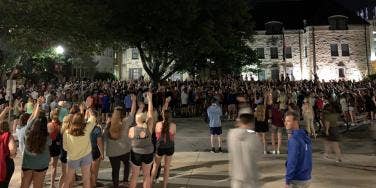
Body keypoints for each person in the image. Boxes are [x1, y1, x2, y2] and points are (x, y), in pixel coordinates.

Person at [105, 94, 136, 188]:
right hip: (125, 150)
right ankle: (125, 180)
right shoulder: (126, 122)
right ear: (123, 114)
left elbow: (104, 136)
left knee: (115, 170)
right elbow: (132, 113)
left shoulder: (109, 124)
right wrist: (133, 101)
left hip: (112, 152)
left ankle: (115, 185)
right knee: (127, 164)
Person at [63, 104, 96, 188]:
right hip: (86, 156)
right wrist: (88, 108)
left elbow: (65, 147)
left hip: (73, 157)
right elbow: (93, 118)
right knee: (86, 179)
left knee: (67, 180)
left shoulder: (66, 132)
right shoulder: (86, 129)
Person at [21, 97, 51, 188]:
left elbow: (32, 119)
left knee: (24, 185)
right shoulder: (47, 136)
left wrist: (38, 104)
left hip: (27, 163)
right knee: (38, 186)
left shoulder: (27, 132)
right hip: (41, 164)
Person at [228, 113, 262, 188]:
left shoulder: (231, 134)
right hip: (250, 177)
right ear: (251, 123)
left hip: (236, 176)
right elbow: (259, 155)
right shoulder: (254, 136)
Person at [129, 92, 154, 188]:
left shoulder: (132, 130)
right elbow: (150, 113)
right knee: (147, 175)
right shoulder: (149, 128)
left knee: (134, 176)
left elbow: (132, 115)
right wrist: (150, 100)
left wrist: (134, 102)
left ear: (136, 119)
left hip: (136, 154)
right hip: (148, 153)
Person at [284, 111, 312, 188]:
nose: (285, 123)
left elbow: (292, 161)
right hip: (307, 178)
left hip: (296, 180)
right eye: (285, 121)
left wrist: (288, 180)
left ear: (296, 122)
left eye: (288, 121)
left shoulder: (294, 140)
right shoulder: (305, 136)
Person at [151, 102, 176, 188]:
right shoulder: (173, 125)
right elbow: (173, 137)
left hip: (160, 147)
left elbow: (156, 135)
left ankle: (150, 184)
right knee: (167, 167)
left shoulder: (158, 124)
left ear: (162, 115)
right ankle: (164, 186)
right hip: (169, 147)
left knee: (155, 165)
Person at [0, 108, 17, 187]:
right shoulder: (7, 136)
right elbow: (13, 149)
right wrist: (10, 154)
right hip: (5, 164)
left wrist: (5, 111)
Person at [48, 109, 62, 188]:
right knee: (54, 166)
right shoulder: (59, 125)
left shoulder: (49, 125)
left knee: (45, 166)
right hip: (56, 146)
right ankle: (52, 184)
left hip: (49, 146)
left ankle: (41, 181)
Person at [90, 111, 104, 187]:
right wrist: (102, 154)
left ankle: (90, 183)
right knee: (95, 171)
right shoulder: (97, 129)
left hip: (86, 150)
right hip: (95, 150)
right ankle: (94, 183)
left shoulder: (85, 127)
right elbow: (99, 143)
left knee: (89, 170)